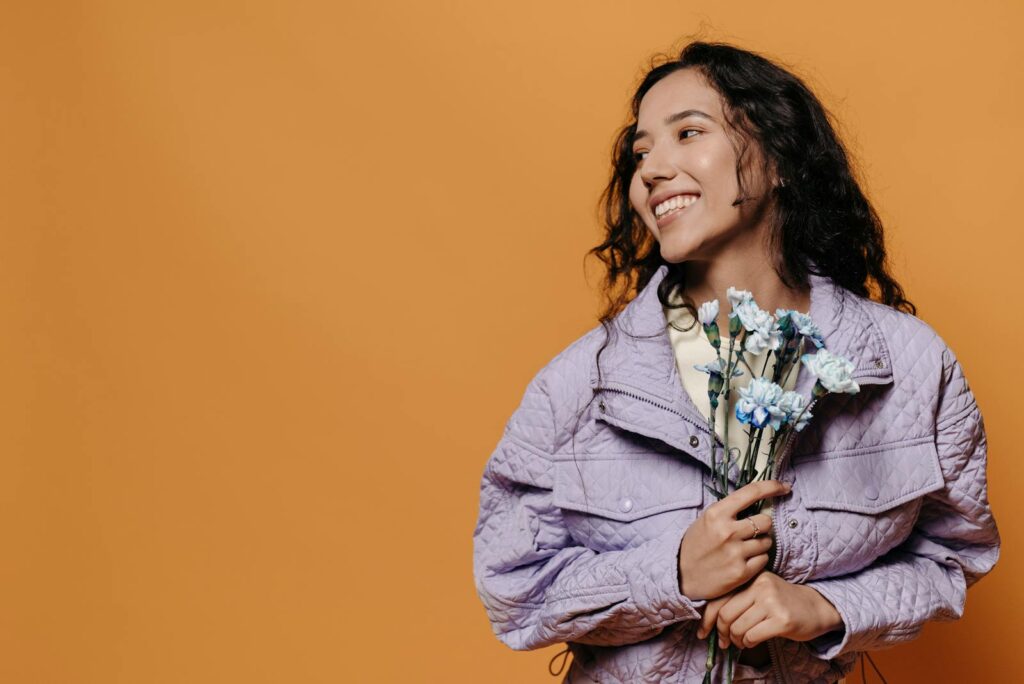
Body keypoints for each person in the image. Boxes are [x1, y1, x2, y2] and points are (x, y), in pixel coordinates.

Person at [471, 41, 999, 683]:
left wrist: (829, 607)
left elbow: (951, 557)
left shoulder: (910, 366)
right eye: (641, 153)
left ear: (779, 158)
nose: (652, 171)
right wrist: (672, 574)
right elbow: (515, 588)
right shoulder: (580, 384)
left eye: (687, 133)